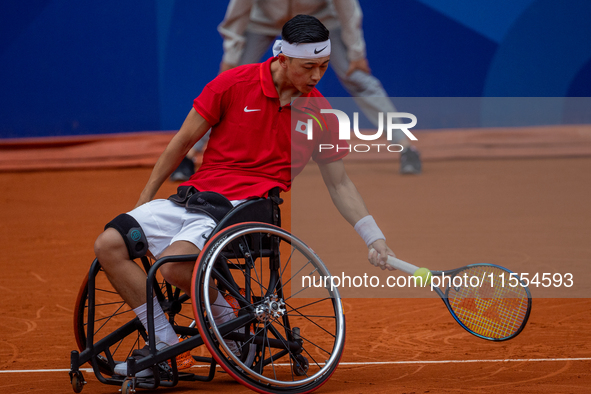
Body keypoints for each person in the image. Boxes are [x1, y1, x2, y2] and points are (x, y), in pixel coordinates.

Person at [94, 14, 395, 377]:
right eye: (309, 67)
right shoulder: (232, 84)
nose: (317, 76)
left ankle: (231, 324)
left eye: (324, 66)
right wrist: (143, 200)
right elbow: (182, 143)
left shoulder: (321, 114)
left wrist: (372, 235)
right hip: (196, 199)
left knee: (174, 265)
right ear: (282, 58)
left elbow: (340, 184)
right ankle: (168, 346)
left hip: (248, 209)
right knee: (110, 243)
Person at [217, 0, 422, 174]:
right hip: (263, 22)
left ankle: (405, 146)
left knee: (357, 78)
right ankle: (196, 149)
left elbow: (348, 11)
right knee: (232, 82)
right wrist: (231, 56)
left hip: (320, 23)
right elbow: (238, 12)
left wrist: (356, 53)